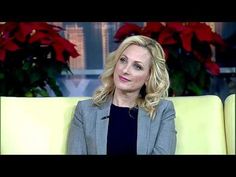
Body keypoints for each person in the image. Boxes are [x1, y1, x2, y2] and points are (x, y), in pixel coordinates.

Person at [67, 35, 177, 155]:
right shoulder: (85, 110)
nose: (125, 70)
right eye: (123, 60)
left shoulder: (163, 111)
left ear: (149, 77)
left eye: (137, 66)